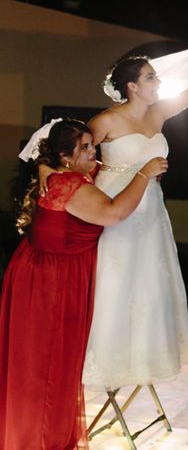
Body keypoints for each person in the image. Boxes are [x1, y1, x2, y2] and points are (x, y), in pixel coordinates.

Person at [0, 120, 167, 449]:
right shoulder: (70, 186)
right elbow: (115, 212)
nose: (95, 152)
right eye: (86, 148)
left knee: (49, 369)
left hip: (45, 275)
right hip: (52, 285)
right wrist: (144, 173)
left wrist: (45, 165)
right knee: (47, 370)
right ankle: (40, 441)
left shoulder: (66, 174)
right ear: (66, 156)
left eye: (93, 145)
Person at [80, 47, 188, 389]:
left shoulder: (158, 113)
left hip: (152, 211)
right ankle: (106, 360)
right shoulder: (106, 120)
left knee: (149, 281)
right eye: (150, 77)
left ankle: (143, 358)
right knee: (116, 281)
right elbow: (78, 157)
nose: (157, 82)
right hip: (116, 208)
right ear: (131, 86)